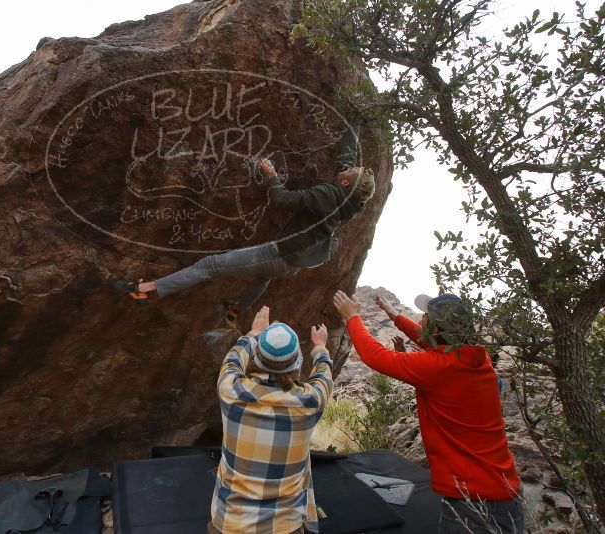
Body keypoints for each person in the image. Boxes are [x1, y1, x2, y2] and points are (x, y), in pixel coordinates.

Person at [113, 126, 375, 321]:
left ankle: (147, 290)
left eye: (352, 172)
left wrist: (272, 176)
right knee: (263, 278)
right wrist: (354, 125)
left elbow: (282, 199)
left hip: (279, 254)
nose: (351, 167)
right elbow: (347, 159)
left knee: (210, 265)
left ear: (345, 183)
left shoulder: (327, 195)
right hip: (294, 264)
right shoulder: (350, 201)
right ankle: (234, 310)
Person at [331, 290, 523, 533]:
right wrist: (394, 316)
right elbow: (429, 340)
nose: (421, 319)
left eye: (425, 317)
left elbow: (375, 356)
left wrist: (352, 318)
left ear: (436, 329)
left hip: (472, 499)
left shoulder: (437, 368)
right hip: (505, 490)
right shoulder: (477, 358)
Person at [209, 306, 333, 534]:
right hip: (286, 526)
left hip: (230, 522)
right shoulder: (310, 401)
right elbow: (324, 374)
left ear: (257, 357)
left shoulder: (231, 390)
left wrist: (254, 332)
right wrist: (320, 347)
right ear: (296, 362)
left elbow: (234, 358)